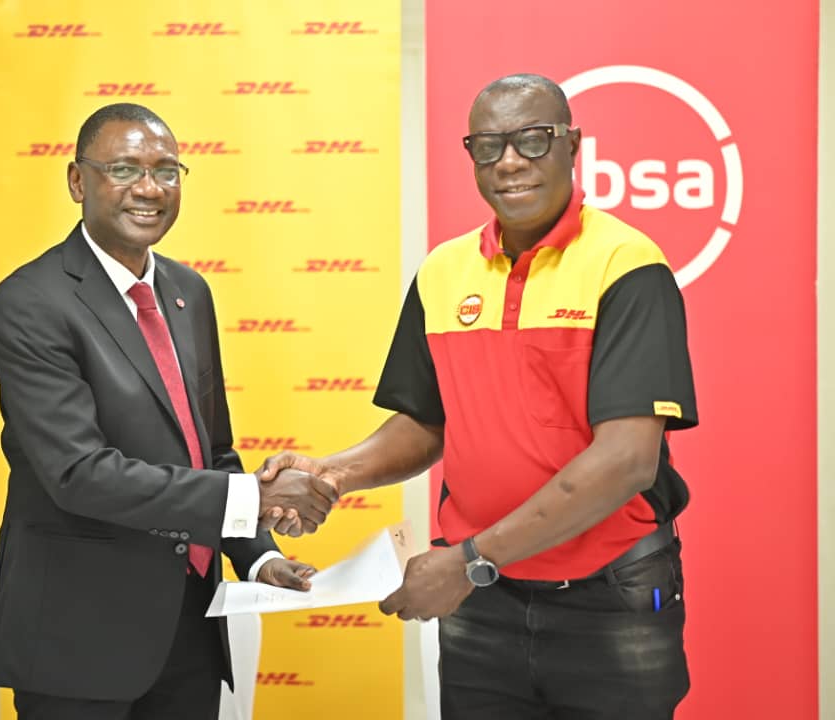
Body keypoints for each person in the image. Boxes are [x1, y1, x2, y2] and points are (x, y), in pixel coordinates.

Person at [261, 74, 698, 719]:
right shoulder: (443, 271)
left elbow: (627, 460)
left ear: (573, 146)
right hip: (484, 605)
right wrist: (333, 473)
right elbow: (426, 423)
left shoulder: (626, 265)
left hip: (610, 597)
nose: (511, 161)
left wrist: (468, 562)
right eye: (488, 146)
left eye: (533, 139)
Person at [0, 103, 338, 720]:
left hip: (189, 629)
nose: (149, 188)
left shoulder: (187, 291)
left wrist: (259, 554)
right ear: (76, 180)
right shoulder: (30, 301)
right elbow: (78, 474)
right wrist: (253, 497)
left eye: (166, 171)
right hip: (77, 638)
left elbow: (212, 452)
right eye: (124, 168)